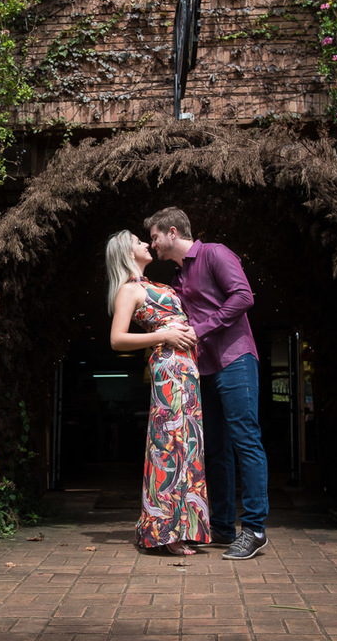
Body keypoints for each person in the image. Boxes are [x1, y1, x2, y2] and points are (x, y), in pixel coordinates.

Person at [144, 207, 269, 561]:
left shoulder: (215, 253)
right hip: (204, 370)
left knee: (246, 439)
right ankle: (224, 527)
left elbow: (243, 297)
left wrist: (200, 329)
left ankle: (256, 529)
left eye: (154, 237)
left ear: (172, 232)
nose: (152, 244)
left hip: (236, 359)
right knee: (214, 448)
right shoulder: (178, 277)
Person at [106, 230, 210, 556]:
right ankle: (166, 533)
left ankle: (183, 527)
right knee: (170, 446)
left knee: (188, 446)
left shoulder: (152, 284)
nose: (146, 245)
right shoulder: (128, 290)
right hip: (169, 370)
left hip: (185, 369)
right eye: (139, 242)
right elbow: (117, 339)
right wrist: (162, 334)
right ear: (126, 253)